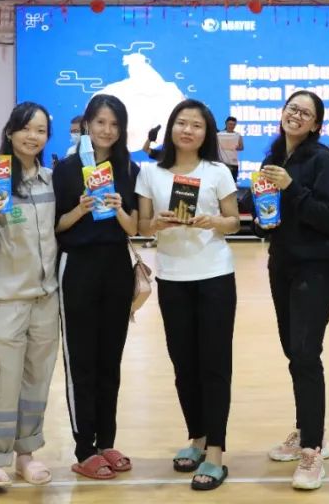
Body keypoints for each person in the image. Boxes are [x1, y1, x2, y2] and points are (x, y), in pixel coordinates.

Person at [136, 100, 240, 491]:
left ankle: (215, 452)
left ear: (206, 132)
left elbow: (234, 222)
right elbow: (142, 225)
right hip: (173, 278)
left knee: (214, 365)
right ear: (171, 128)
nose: (188, 130)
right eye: (182, 122)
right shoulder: (151, 172)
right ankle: (196, 437)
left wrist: (215, 221)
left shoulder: (217, 172)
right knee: (184, 364)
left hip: (215, 276)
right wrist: (157, 223)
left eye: (197, 125)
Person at [0, 103, 59, 488]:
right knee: (3, 379)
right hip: (3, 298)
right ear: (10, 132)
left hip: (46, 298)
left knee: (37, 379)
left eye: (40, 130)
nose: (32, 136)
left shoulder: (51, 180)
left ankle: (26, 455)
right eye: (25, 128)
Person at [255, 90, 329, 491]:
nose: (296, 115)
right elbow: (269, 216)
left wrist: (291, 187)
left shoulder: (321, 159)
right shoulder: (273, 159)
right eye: (292, 108)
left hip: (316, 267)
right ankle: (306, 429)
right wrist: (261, 220)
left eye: (305, 113)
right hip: (282, 265)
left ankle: (312, 449)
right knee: (294, 352)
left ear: (316, 124)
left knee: (307, 353)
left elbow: (328, 217)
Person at [53, 94, 141, 481]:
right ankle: (84, 448)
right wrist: (81, 208)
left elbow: (133, 228)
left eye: (115, 124)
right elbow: (56, 225)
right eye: (101, 122)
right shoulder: (67, 169)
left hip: (117, 267)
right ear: (87, 124)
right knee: (82, 361)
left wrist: (118, 207)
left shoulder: (129, 168)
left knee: (110, 360)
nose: (107, 130)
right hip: (78, 266)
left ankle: (106, 442)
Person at [217, 116, 244, 182]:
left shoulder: (237, 135)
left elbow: (242, 147)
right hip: (222, 162)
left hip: (233, 162)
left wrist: (236, 147)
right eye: (230, 124)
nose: (231, 126)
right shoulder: (219, 135)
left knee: (233, 181)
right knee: (221, 181)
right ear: (226, 124)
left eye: (233, 124)